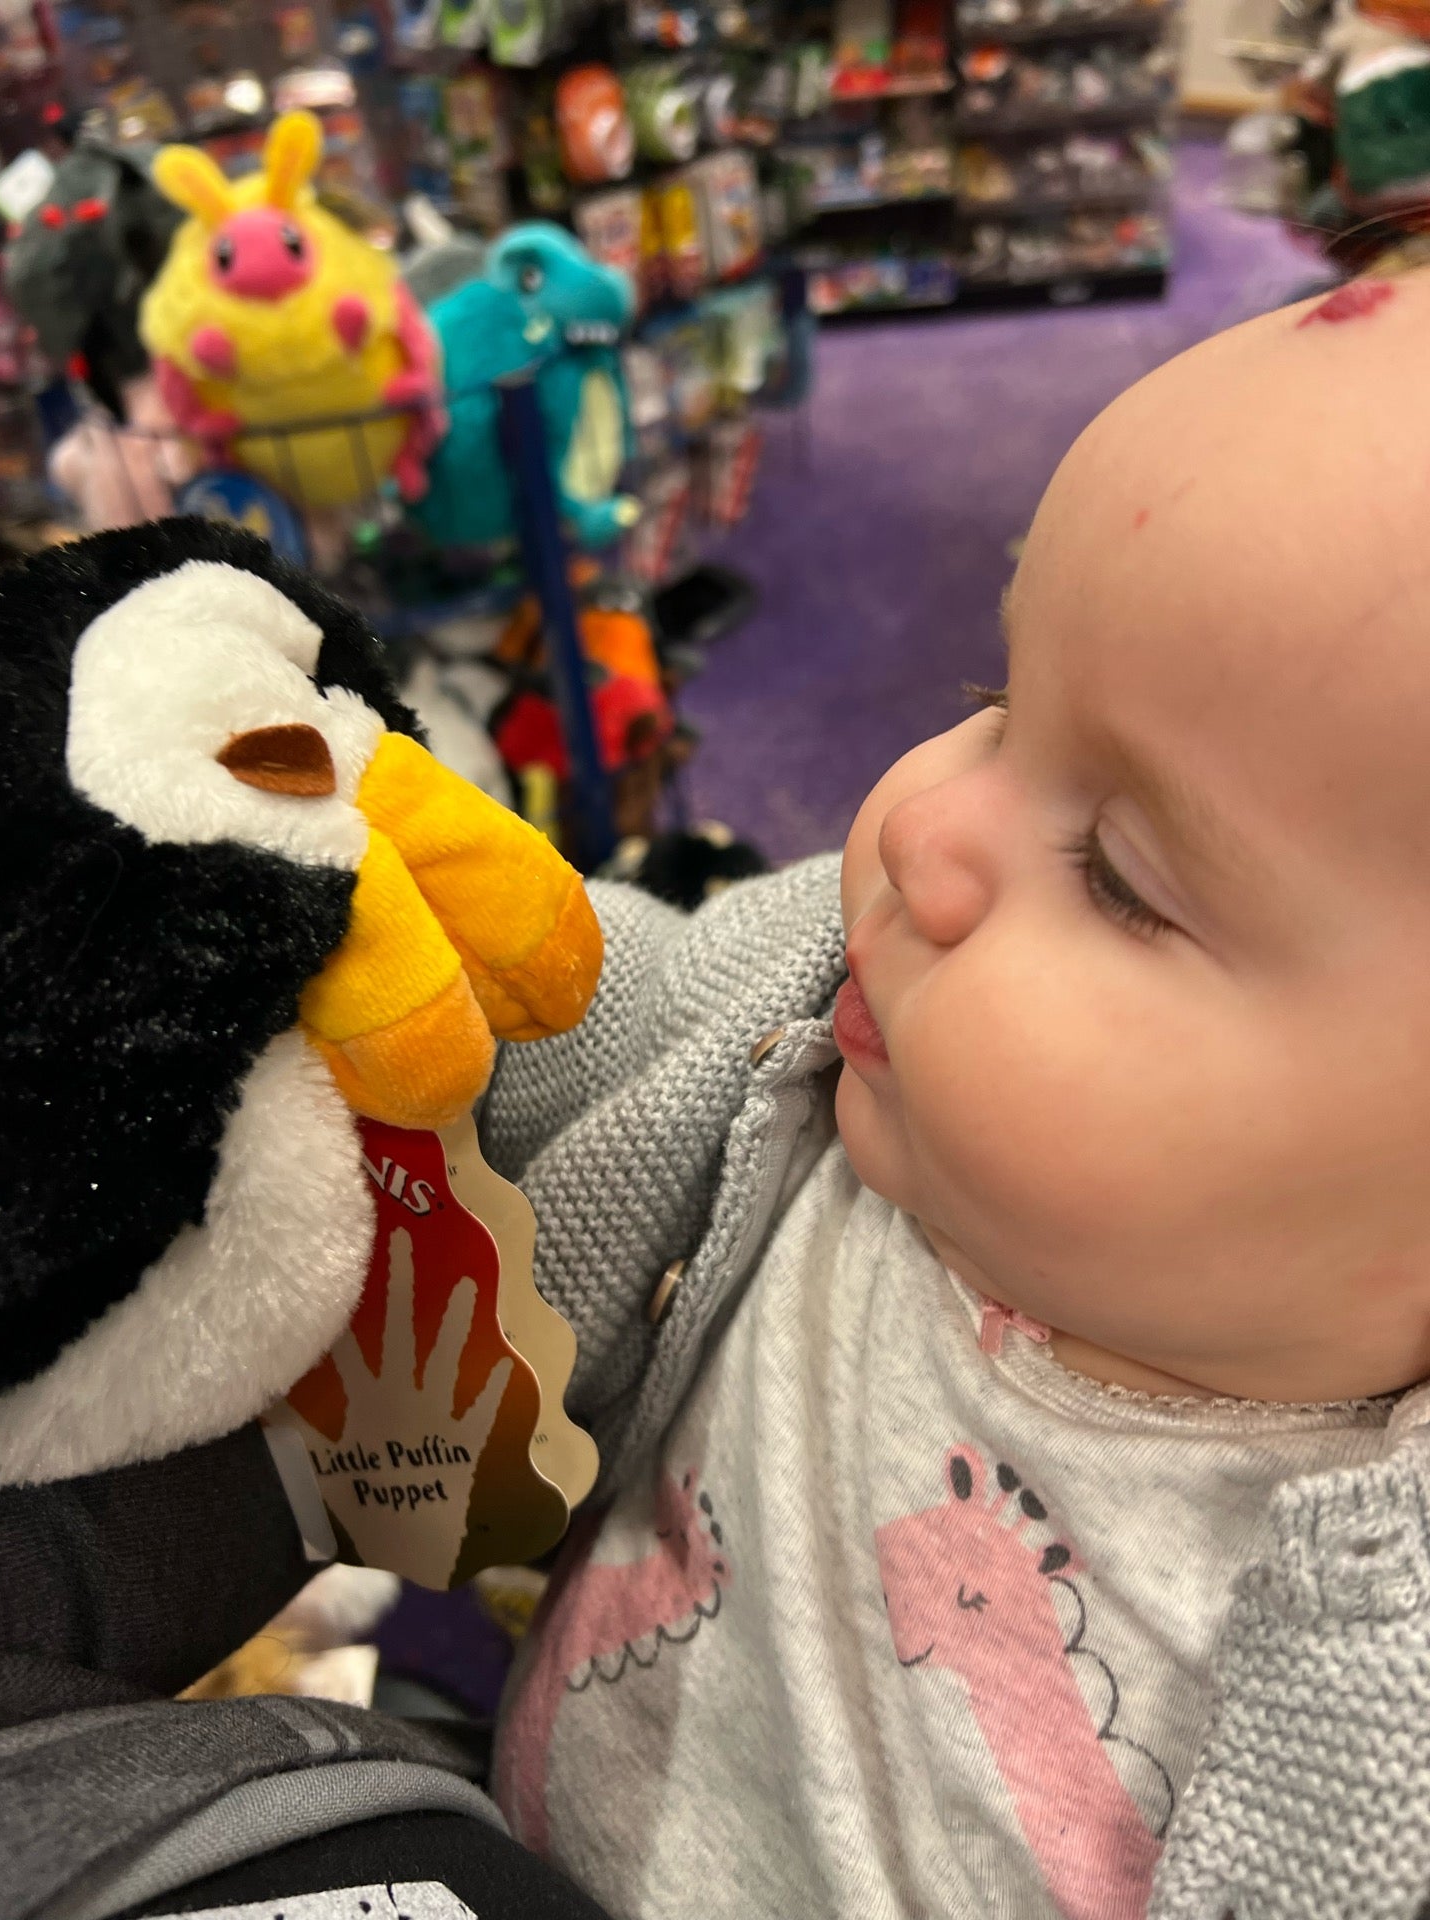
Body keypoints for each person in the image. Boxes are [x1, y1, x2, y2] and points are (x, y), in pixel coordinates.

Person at [479, 273, 1430, 1920]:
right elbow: (596, 1001)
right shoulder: (871, 1004)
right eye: (997, 706)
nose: (919, 824)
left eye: (1120, 876)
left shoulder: (1379, 1705)